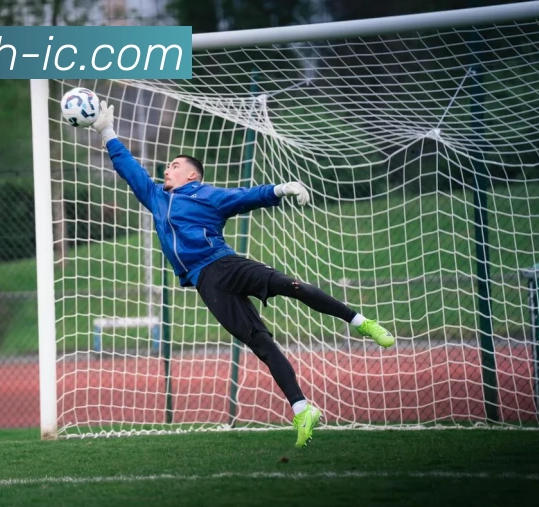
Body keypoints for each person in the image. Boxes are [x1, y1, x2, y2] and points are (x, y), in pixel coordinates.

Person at [90, 100, 395, 448]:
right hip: (206, 282)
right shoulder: (156, 197)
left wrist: (279, 189)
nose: (167, 169)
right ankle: (302, 409)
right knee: (260, 343)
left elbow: (244, 196)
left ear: (192, 175)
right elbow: (131, 170)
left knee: (288, 285)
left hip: (225, 264)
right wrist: (107, 132)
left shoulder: (206, 195)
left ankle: (360, 322)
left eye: (175, 166)